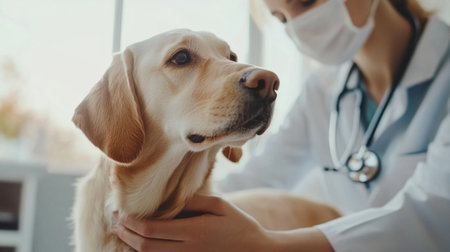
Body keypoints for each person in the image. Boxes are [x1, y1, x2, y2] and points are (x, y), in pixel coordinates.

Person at [112, 0, 450, 251]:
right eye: (281, 18)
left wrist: (266, 244)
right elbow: (262, 175)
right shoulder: (323, 91)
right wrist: (166, 216)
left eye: (304, 2)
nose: (298, 27)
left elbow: (432, 214)